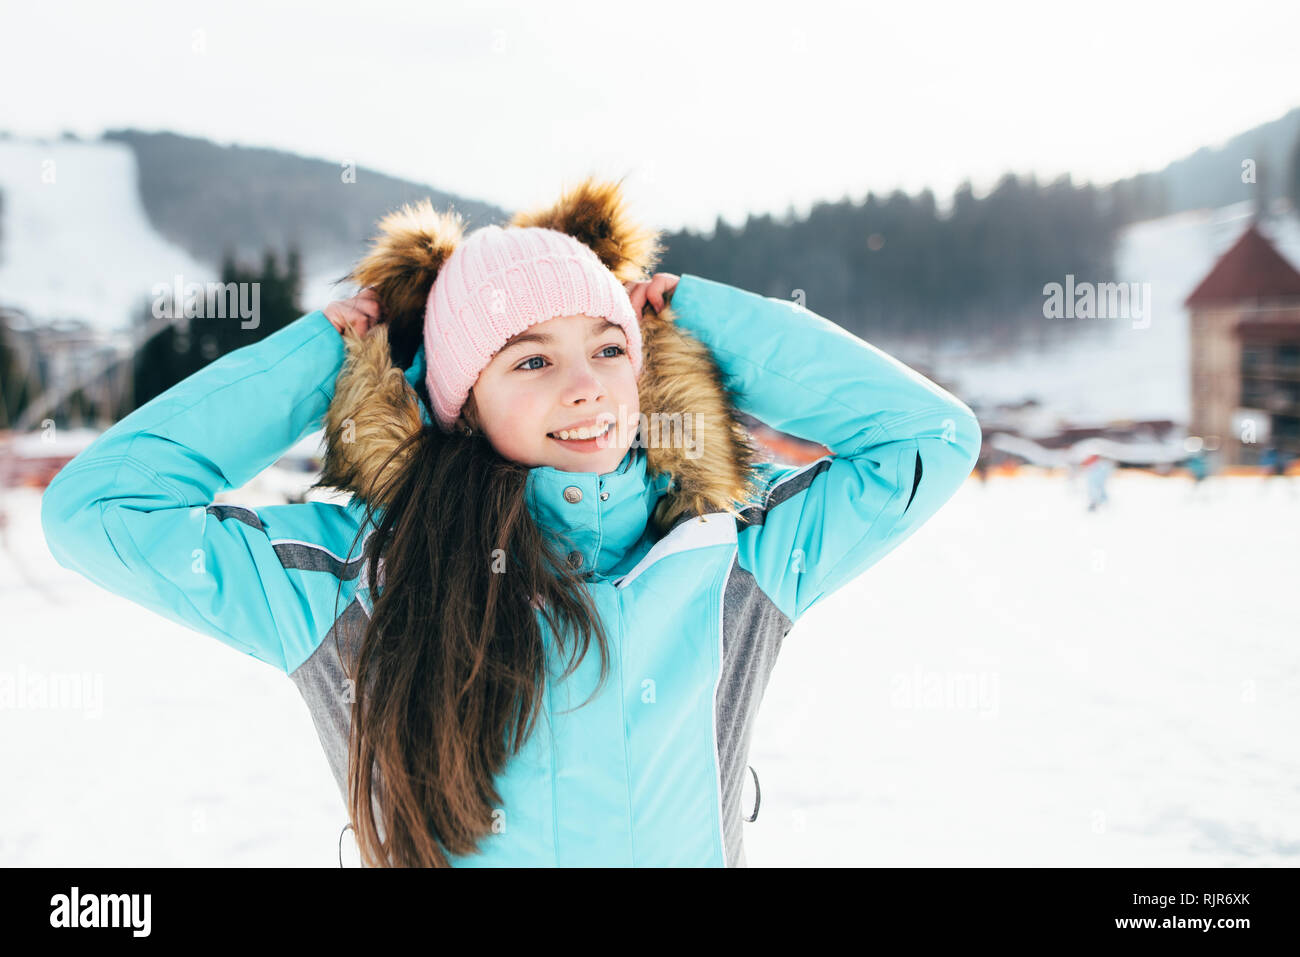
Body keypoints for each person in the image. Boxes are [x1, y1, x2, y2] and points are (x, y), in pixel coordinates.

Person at [41, 177, 982, 868]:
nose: (586, 386)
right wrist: (326, 359)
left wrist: (701, 317)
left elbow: (930, 436)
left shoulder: (731, 558)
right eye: (529, 361)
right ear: (459, 402)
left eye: (610, 347)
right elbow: (98, 510)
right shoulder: (348, 586)